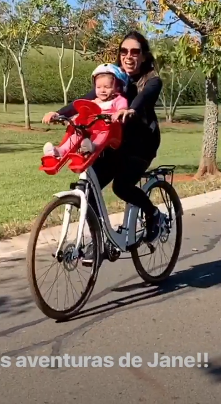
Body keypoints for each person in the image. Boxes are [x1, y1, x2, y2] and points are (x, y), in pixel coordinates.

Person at [42, 30, 167, 265]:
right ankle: (100, 240)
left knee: (122, 187)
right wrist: (59, 113)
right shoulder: (112, 81)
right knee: (90, 186)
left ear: (144, 55)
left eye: (135, 52)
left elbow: (144, 98)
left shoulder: (151, 80)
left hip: (140, 145)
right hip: (112, 144)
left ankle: (153, 214)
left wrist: (130, 109)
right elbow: (85, 102)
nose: (128, 56)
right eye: (124, 51)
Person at [42, 64, 129, 158]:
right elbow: (83, 113)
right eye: (98, 87)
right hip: (90, 129)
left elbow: (122, 109)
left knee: (101, 135)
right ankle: (59, 151)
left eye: (107, 87)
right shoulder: (94, 102)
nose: (102, 90)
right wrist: (72, 119)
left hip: (108, 130)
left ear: (118, 88)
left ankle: (92, 147)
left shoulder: (118, 100)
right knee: (77, 134)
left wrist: (119, 113)